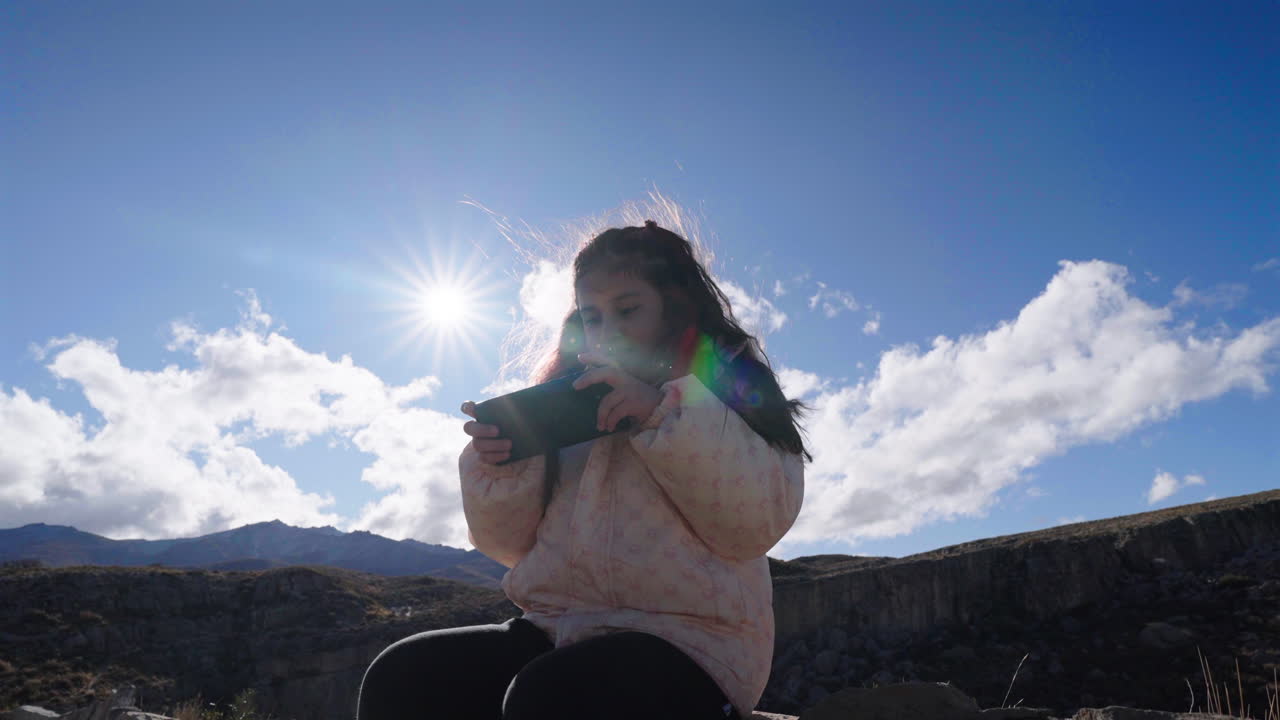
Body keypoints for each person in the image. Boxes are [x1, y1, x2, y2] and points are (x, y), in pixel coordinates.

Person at [357, 220, 810, 720]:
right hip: (557, 628)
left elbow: (753, 526)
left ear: (676, 307)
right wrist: (505, 463)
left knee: (552, 696)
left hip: (693, 642)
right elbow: (508, 547)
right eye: (592, 316)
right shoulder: (565, 397)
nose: (607, 330)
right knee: (403, 675)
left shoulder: (727, 389)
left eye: (628, 309)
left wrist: (661, 414)